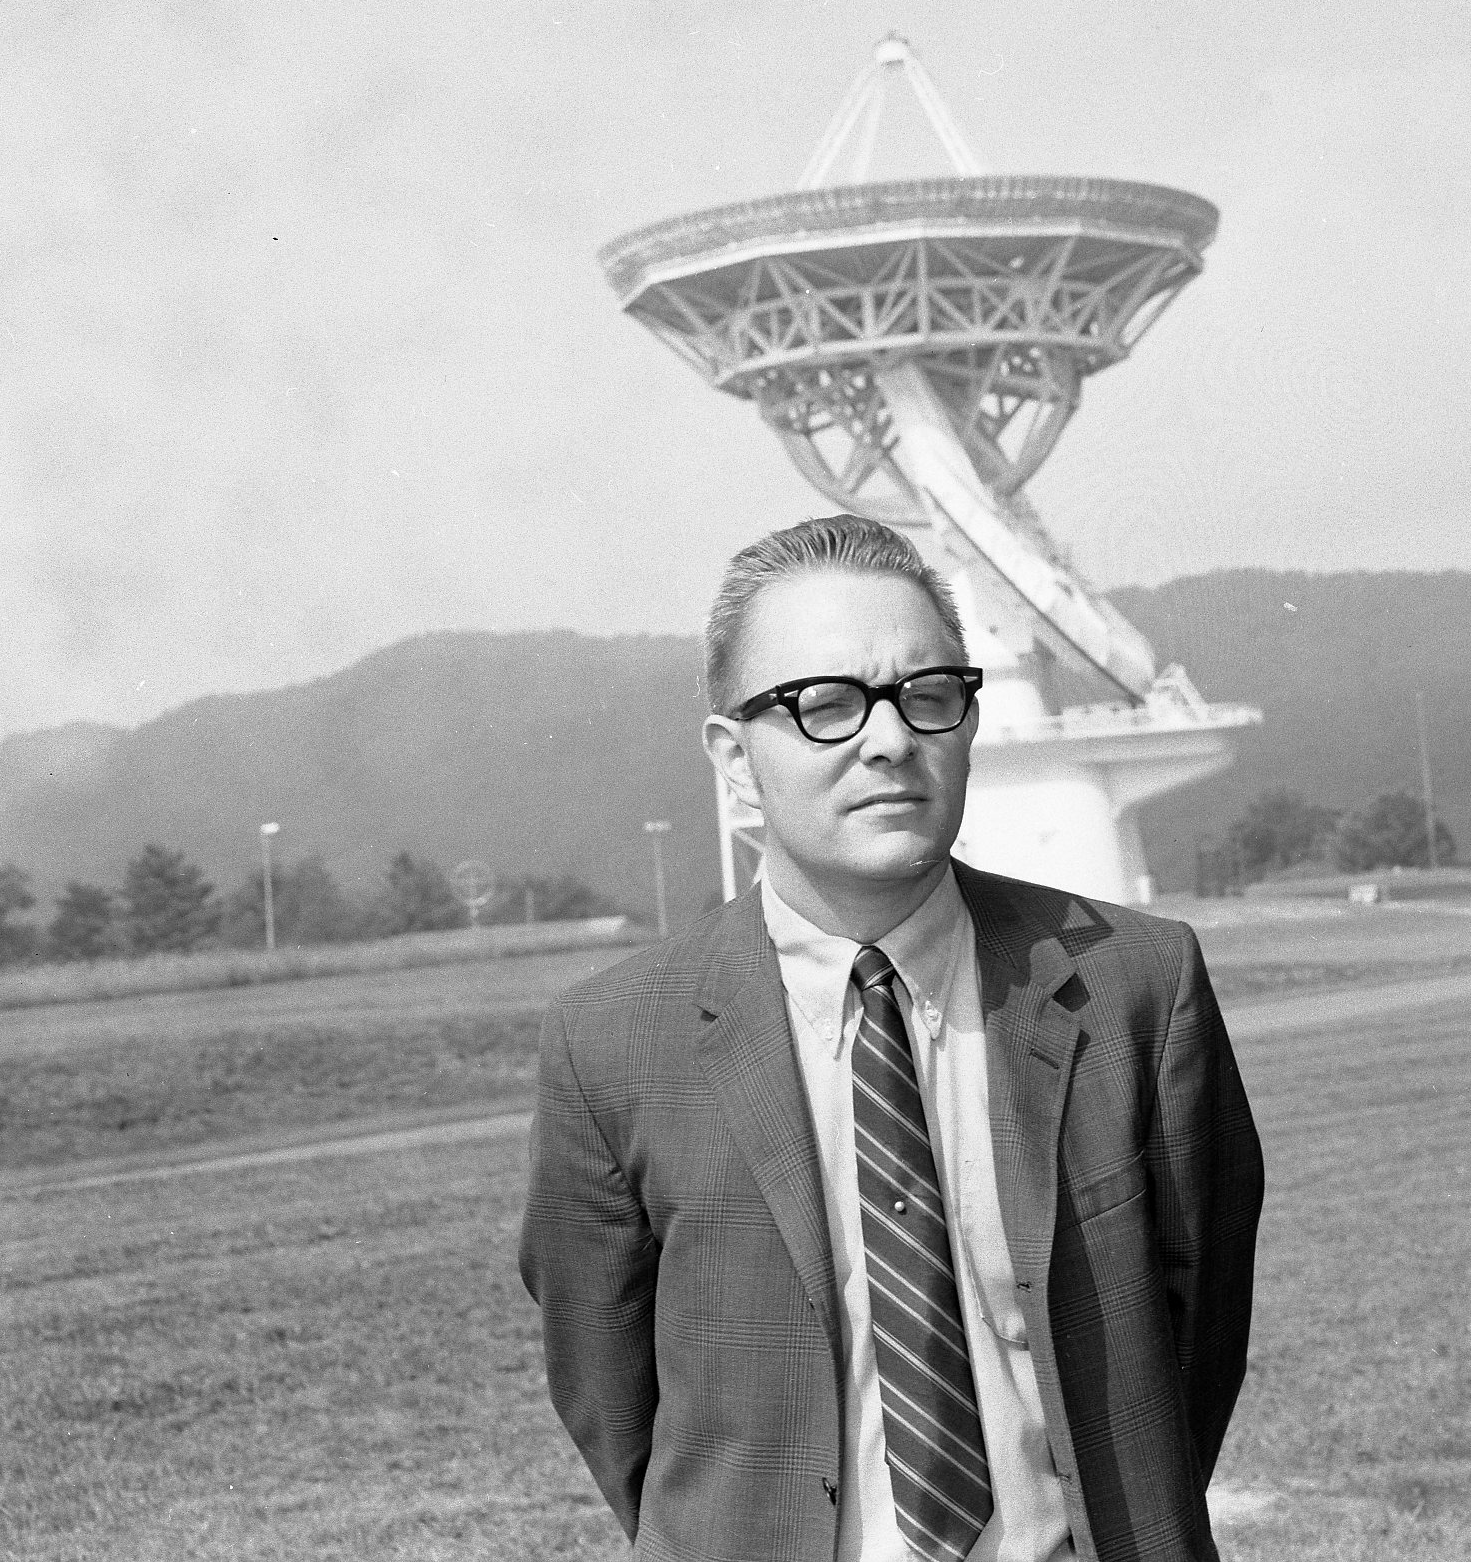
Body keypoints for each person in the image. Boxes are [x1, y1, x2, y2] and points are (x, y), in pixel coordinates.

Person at [521, 515, 1264, 1562]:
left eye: (928, 693)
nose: (889, 739)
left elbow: (1193, 1344)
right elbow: (610, 1391)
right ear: (735, 759)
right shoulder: (614, 1045)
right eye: (823, 703)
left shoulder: (1135, 990)